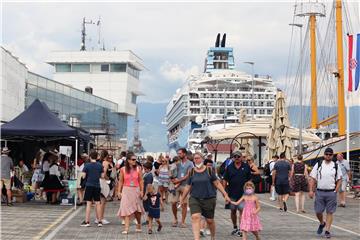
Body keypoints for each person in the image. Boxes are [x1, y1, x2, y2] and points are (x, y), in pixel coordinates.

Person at [180, 153, 230, 240]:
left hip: (209, 198)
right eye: (194, 159)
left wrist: (225, 194)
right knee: (195, 217)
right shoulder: (191, 171)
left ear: (202, 159)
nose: (196, 160)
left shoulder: (209, 170)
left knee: (210, 221)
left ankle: (213, 237)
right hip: (195, 198)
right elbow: (188, 186)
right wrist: (182, 198)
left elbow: (217, 183)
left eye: (198, 158)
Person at [309, 147, 341, 238]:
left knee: (330, 212)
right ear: (324, 155)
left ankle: (327, 230)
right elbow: (313, 178)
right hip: (319, 191)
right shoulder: (319, 164)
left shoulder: (335, 165)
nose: (328, 156)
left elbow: (339, 179)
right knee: (318, 211)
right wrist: (311, 190)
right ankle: (322, 223)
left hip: (331, 192)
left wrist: (336, 190)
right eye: (326, 154)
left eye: (330, 154)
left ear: (332, 155)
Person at [222, 151, 252, 237]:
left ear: (241, 157)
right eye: (235, 156)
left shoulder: (246, 167)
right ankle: (235, 227)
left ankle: (241, 229)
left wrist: (249, 190)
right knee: (233, 211)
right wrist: (225, 192)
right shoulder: (229, 167)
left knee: (242, 211)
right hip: (232, 193)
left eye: (238, 156)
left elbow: (249, 179)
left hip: (243, 193)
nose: (237, 158)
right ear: (233, 158)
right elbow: (225, 179)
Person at [117, 153, 144, 234]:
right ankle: (126, 228)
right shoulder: (123, 169)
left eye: (135, 159)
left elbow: (141, 180)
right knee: (125, 208)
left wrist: (142, 191)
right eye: (133, 159)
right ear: (128, 160)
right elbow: (121, 181)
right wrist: (119, 191)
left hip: (136, 190)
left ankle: (139, 224)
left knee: (137, 210)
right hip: (126, 190)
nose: (135, 161)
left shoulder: (139, 168)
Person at [171, 148, 193, 228]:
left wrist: (178, 181)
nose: (179, 155)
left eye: (180, 153)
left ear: (184, 154)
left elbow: (188, 175)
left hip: (185, 185)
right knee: (173, 202)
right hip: (177, 185)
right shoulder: (178, 163)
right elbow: (173, 173)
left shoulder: (190, 164)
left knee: (184, 204)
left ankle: (183, 221)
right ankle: (175, 219)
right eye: (178, 153)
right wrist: (173, 179)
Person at [81, 151, 103, 227]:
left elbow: (83, 176)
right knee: (98, 203)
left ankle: (87, 222)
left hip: (89, 185)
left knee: (88, 204)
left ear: (90, 157)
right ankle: (100, 221)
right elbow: (102, 176)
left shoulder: (87, 165)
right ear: (97, 157)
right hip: (97, 185)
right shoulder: (100, 165)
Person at [97, 150, 110, 225]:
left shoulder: (98, 162)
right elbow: (103, 174)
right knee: (103, 201)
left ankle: (97, 218)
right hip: (102, 182)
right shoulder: (105, 163)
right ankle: (101, 218)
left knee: (97, 201)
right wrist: (108, 178)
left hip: (96, 181)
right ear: (106, 156)